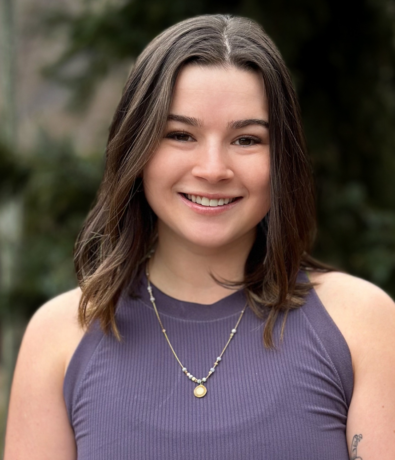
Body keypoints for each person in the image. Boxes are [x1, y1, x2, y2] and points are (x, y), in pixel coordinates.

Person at [4, 14, 395, 460]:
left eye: (246, 140)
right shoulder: (60, 338)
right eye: (180, 135)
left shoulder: (362, 324)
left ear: (282, 158)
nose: (212, 169)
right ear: (137, 148)